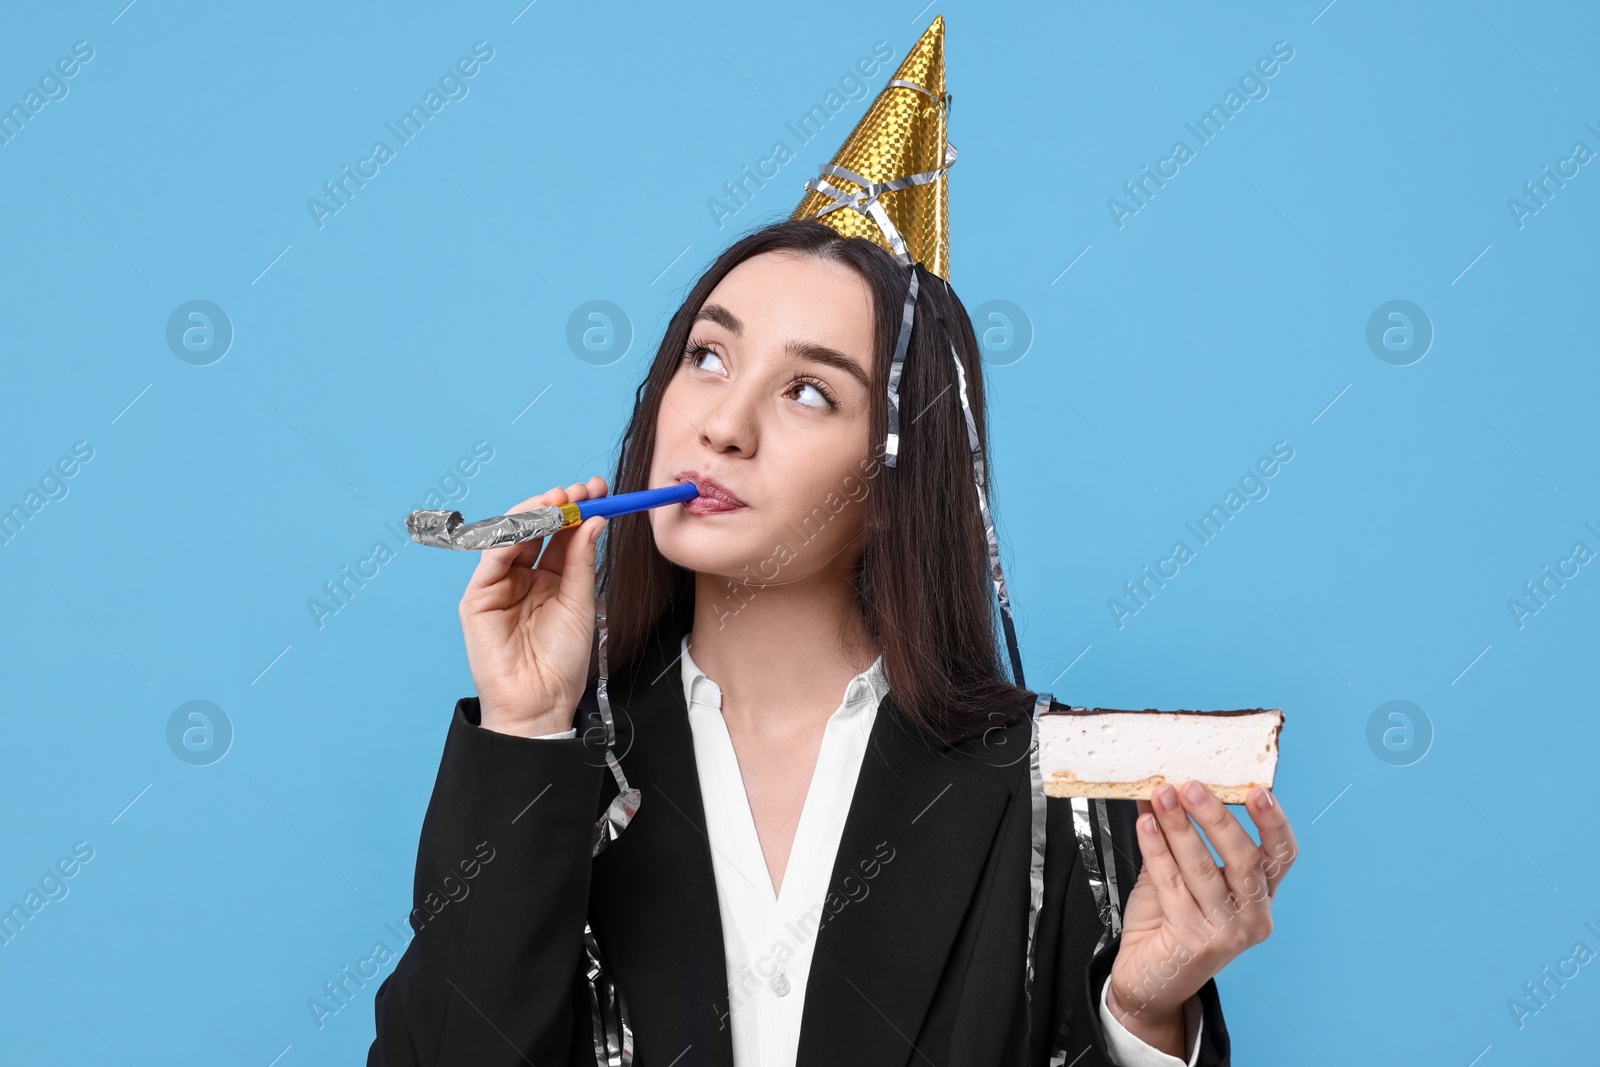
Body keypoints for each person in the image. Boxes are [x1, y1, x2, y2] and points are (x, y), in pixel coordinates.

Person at [368, 19, 1294, 1067]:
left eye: (808, 390)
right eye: (708, 356)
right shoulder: (562, 762)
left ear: (896, 482)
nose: (724, 423)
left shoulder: (1053, 795)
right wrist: (526, 727)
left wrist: (1144, 1017)